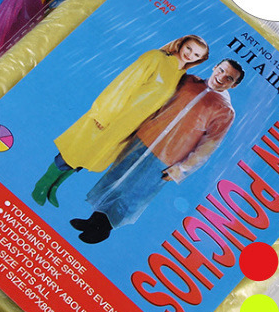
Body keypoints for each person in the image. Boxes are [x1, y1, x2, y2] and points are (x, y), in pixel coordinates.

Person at [71, 59, 244, 243]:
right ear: (215, 67)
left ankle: (103, 230)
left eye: (229, 78)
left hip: (167, 158)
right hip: (144, 138)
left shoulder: (225, 111)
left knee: (134, 192)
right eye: (221, 70)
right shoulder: (188, 81)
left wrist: (181, 170)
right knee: (116, 178)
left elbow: (208, 146)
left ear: (233, 85)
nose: (221, 77)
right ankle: (94, 220)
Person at [32, 34, 209, 208]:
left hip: (130, 126)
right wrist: (104, 113)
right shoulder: (156, 58)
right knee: (76, 150)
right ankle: (42, 185)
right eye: (189, 48)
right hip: (114, 115)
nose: (190, 55)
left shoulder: (180, 76)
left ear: (200, 60)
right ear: (181, 44)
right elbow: (123, 84)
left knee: (89, 157)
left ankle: (54, 186)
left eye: (196, 55)